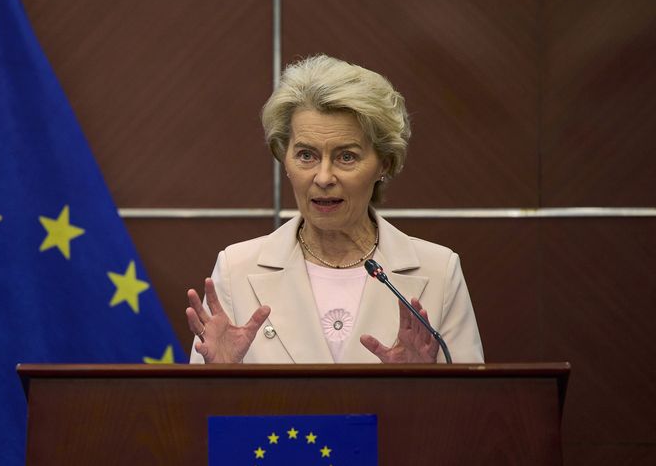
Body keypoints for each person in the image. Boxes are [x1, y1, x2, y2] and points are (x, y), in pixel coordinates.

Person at [186, 55, 483, 364]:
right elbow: (203, 410)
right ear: (283, 158)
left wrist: (421, 385)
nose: (324, 177)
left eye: (346, 157)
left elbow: (469, 405)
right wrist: (219, 378)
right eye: (306, 155)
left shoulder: (438, 271)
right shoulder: (237, 269)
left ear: (384, 163)